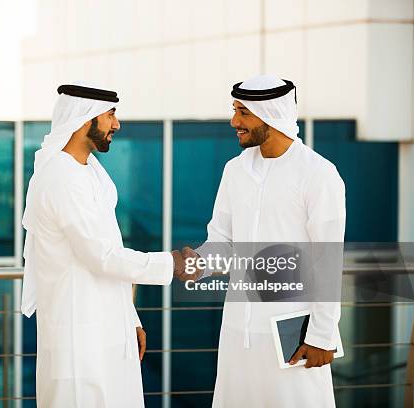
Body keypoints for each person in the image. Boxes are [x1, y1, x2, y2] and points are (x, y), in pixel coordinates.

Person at [21, 82, 193, 407]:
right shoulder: (61, 177)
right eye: (111, 114)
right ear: (85, 119)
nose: (117, 124)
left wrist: (130, 319)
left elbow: (110, 245)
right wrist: (171, 263)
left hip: (108, 332)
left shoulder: (90, 172)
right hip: (78, 338)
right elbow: (101, 256)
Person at [198, 75, 346, 407]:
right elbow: (220, 241)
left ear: (270, 115)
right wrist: (187, 264)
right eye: (235, 110)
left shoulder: (318, 174)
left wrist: (322, 335)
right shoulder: (234, 170)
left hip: (294, 333)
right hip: (238, 331)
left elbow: (328, 261)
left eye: (243, 113)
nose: (234, 121)